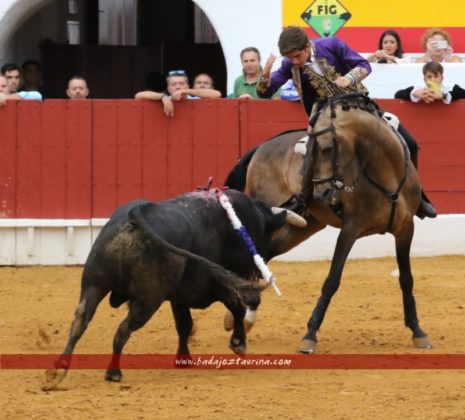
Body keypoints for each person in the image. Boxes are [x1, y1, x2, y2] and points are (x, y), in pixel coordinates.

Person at [256, 26, 436, 218]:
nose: (294, 62)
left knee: (409, 143)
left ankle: (417, 196)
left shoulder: (331, 44)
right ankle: (303, 200)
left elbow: (363, 65)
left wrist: (349, 78)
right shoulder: (289, 64)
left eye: (297, 56)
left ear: (307, 46)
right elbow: (264, 92)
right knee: (312, 150)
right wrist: (265, 73)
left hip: (356, 103)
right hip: (324, 113)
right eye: (290, 58)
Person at [135, 70, 220, 117]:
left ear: (188, 85)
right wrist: (163, 97)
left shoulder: (196, 99)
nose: (178, 87)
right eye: (174, 84)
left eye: (182, 84)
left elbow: (217, 94)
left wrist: (185, 92)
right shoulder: (165, 100)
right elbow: (138, 95)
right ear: (168, 88)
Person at [395, 62, 465, 104]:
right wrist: (414, 93)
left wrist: (443, 96)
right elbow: (397, 95)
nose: (433, 80)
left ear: (442, 78)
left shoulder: (451, 87)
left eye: (436, 76)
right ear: (424, 79)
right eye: (429, 77)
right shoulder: (418, 88)